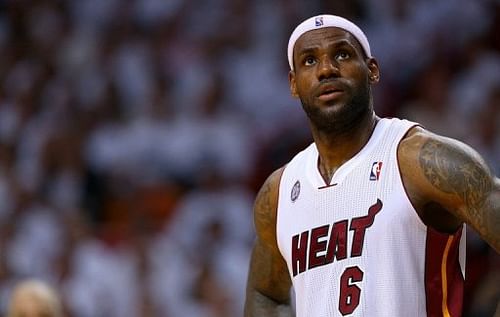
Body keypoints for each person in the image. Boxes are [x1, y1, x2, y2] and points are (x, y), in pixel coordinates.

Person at [244, 14, 500, 317]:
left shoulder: (420, 159)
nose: (326, 69)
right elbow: (265, 294)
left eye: (342, 54)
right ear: (293, 84)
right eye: (309, 61)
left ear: (372, 70)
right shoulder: (279, 192)